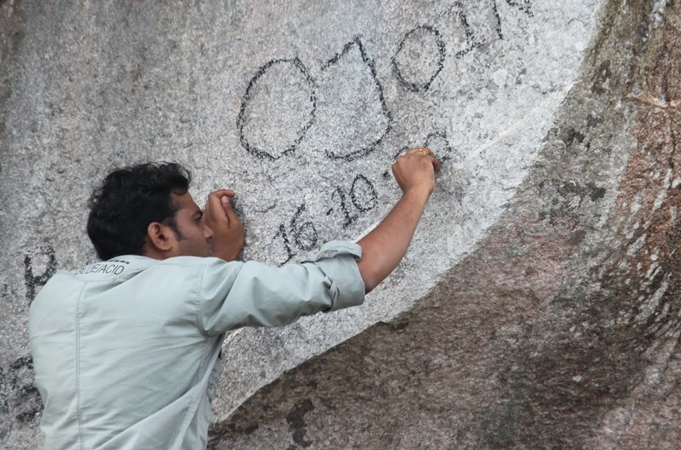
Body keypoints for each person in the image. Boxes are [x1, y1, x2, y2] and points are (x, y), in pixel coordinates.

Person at [28, 148, 441, 449]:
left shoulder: (54, 298)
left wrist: (217, 256)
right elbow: (352, 275)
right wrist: (416, 189)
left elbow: (161, 333)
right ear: (159, 235)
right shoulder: (195, 288)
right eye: (195, 221)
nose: (208, 230)